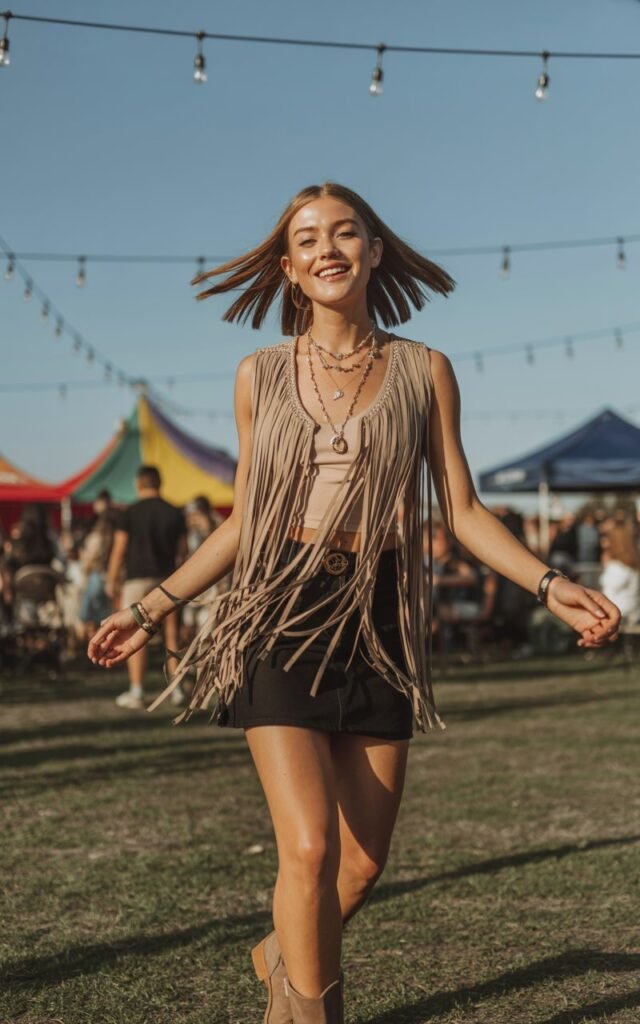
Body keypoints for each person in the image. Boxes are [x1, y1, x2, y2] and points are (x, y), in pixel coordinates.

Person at [88, 183, 621, 1024]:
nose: (326, 248)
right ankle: (309, 1012)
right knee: (307, 844)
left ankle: (280, 956)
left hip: (377, 616)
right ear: (289, 268)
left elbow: (466, 511)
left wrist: (552, 587)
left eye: (345, 233)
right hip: (278, 605)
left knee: (362, 867)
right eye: (307, 240)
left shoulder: (424, 369)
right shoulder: (259, 375)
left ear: (375, 250)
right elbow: (244, 522)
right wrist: (149, 607)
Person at [104, 466, 187, 709]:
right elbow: (183, 552)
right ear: (159, 483)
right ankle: (177, 688)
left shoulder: (129, 513)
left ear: (139, 484)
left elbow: (119, 550)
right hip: (169, 581)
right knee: (172, 634)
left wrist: (111, 580)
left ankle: (137, 690)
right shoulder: (174, 513)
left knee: (134, 632)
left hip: (136, 580)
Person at [600, 522, 640, 626]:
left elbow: (609, 591)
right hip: (628, 614)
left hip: (620, 616)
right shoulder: (629, 564)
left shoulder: (619, 567)